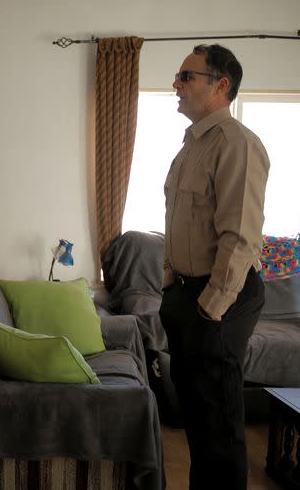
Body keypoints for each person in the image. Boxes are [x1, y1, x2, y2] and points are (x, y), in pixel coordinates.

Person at [159, 44, 270, 490]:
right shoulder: (190, 148)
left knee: (219, 425)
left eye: (187, 76)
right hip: (188, 295)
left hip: (221, 298)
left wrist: (210, 309)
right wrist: (172, 288)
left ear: (221, 85)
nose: (176, 84)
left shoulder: (238, 144)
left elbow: (241, 237)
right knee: (198, 419)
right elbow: (176, 225)